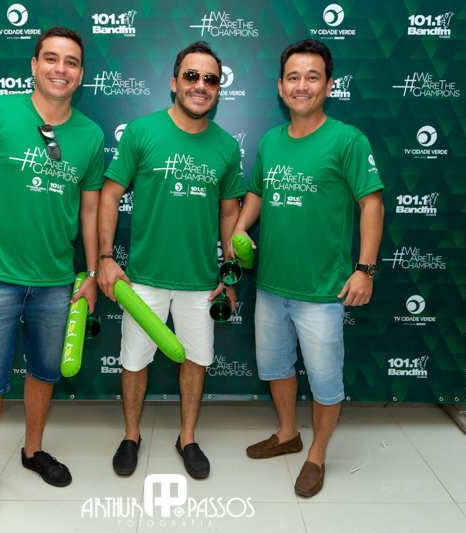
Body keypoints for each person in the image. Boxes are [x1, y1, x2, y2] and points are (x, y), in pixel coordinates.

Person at [0, 26, 104, 519]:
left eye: (72, 62)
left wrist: (90, 271)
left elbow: (90, 210)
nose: (61, 69)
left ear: (81, 74)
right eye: (52, 59)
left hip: (56, 281)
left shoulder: (91, 135)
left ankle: (33, 451)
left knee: (44, 370)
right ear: (34, 65)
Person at [233, 39, 384, 497]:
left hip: (323, 292)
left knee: (324, 381)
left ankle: (316, 454)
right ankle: (287, 434)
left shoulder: (348, 140)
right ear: (281, 87)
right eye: (294, 77)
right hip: (271, 285)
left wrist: (365, 269)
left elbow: (372, 204)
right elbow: (257, 192)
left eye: (312, 77)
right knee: (277, 367)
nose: (302, 86)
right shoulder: (270, 141)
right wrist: (238, 231)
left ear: (328, 85)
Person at [97, 41, 244, 480]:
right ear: (174, 82)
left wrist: (229, 274)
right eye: (192, 76)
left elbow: (230, 215)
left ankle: (187, 437)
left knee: (196, 359)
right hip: (144, 278)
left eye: (210, 79)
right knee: (133, 361)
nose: (201, 85)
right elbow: (109, 195)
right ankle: (131, 435)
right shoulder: (142, 132)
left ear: (218, 89)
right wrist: (105, 257)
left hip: (201, 282)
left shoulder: (226, 147)